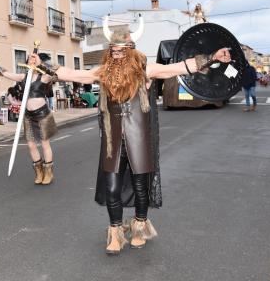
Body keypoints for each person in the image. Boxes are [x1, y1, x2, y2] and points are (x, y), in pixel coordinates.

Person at [29, 20, 231, 254]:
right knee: (112, 187)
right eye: (113, 50)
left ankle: (139, 228)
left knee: (140, 186)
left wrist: (212, 57)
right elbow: (75, 74)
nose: (116, 54)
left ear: (131, 49)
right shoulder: (103, 72)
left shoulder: (146, 68)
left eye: (121, 50)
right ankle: (115, 233)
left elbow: (178, 67)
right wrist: (43, 65)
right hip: (112, 138)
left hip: (139, 135)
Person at [0, 53, 59, 185]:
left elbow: (54, 73)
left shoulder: (43, 77)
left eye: (34, 59)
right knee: (31, 144)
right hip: (28, 115)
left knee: (45, 144)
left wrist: (41, 64)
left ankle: (48, 173)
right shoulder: (23, 77)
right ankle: (39, 172)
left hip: (42, 114)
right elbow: (6, 73)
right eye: (30, 59)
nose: (32, 61)